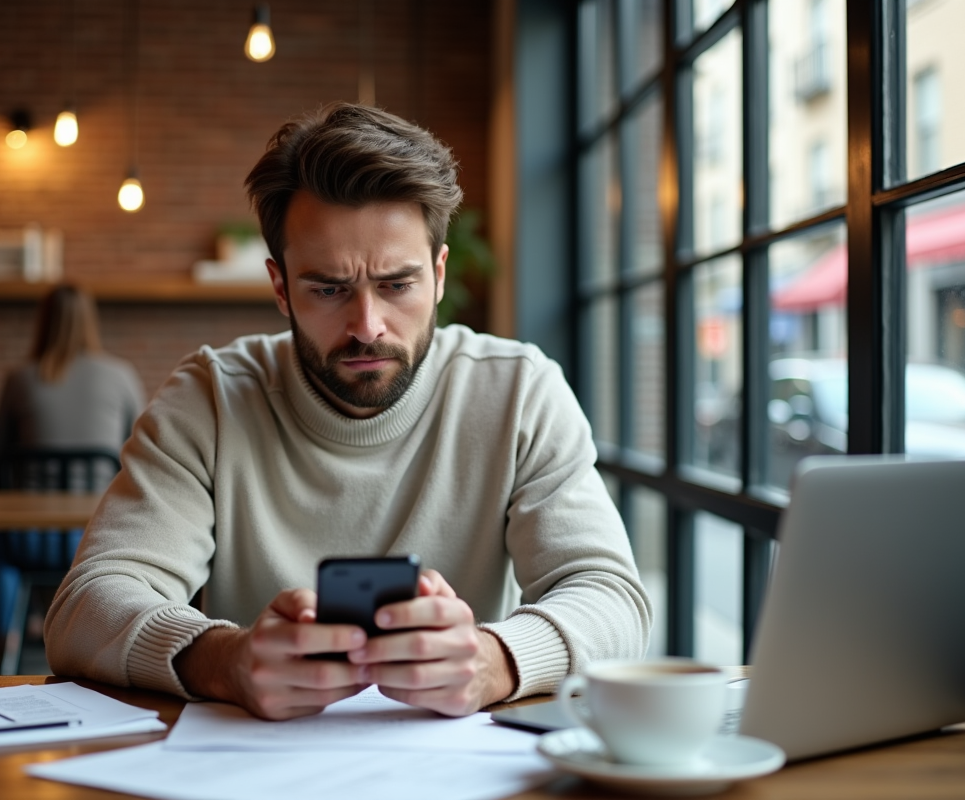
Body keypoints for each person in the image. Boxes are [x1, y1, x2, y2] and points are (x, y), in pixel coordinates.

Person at [45, 102, 651, 719]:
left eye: (397, 285)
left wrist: (495, 660)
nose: (367, 326)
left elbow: (612, 599)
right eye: (330, 289)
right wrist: (224, 661)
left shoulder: (519, 393)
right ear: (281, 287)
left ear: (439, 275)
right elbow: (84, 607)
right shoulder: (210, 401)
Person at [0, 284, 145, 642]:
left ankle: (8, 639)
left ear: (43, 322)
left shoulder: (20, 378)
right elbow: (143, 456)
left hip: (27, 538)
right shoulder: (121, 375)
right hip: (98, 538)